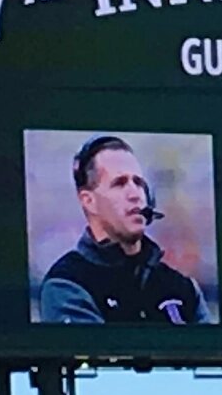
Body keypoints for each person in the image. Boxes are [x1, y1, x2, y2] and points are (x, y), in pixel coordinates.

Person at [39, 135, 212, 324]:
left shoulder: (182, 288)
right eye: (120, 183)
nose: (135, 194)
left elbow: (215, 351)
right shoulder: (67, 284)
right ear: (89, 201)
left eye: (138, 182)